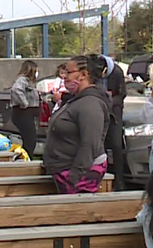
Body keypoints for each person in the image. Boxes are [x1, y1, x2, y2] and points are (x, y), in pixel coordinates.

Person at [42, 55, 110, 194]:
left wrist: (74, 177)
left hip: (80, 176)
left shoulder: (90, 103)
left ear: (84, 75)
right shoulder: (76, 100)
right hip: (64, 171)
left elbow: (90, 143)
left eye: (69, 72)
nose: (64, 77)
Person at [96, 54, 128, 190]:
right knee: (99, 145)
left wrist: (108, 100)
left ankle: (119, 179)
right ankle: (101, 175)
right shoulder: (94, 72)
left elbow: (122, 94)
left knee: (116, 145)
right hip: (98, 112)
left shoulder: (116, 72)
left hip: (114, 113)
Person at [9, 61, 41, 155]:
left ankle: (25, 157)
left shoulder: (29, 82)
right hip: (23, 114)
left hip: (28, 114)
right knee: (30, 139)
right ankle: (26, 158)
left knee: (30, 139)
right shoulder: (22, 80)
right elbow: (16, 90)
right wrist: (24, 104)